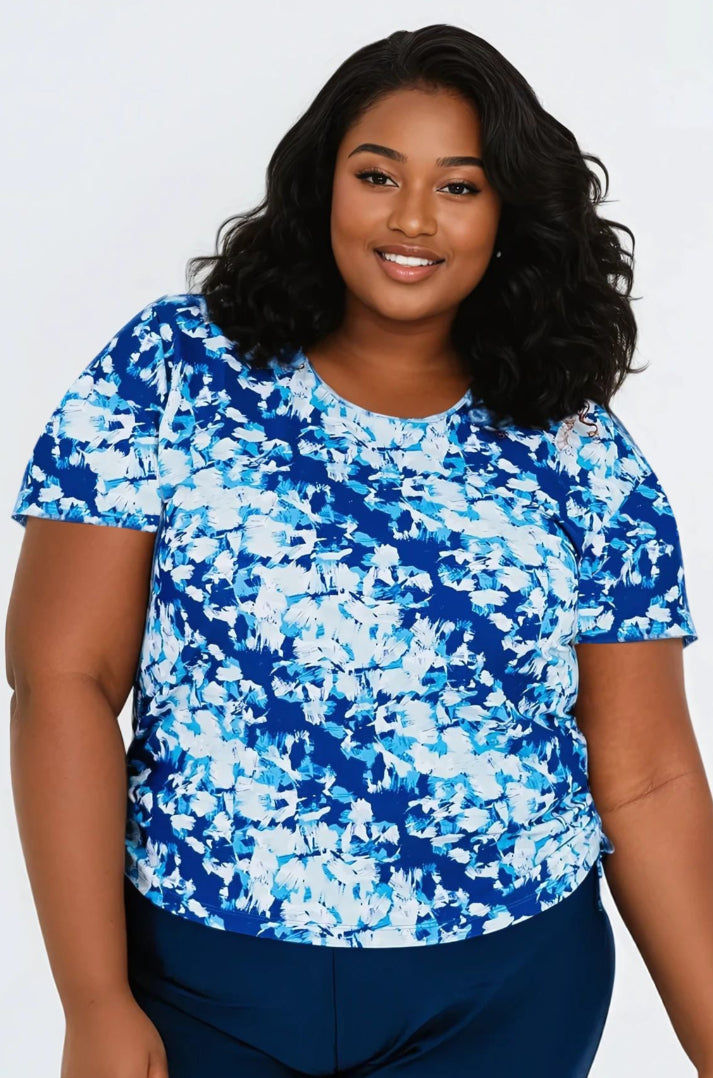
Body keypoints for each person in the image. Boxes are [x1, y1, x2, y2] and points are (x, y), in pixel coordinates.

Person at [6, 22, 713, 1078]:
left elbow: (648, 775)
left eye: (460, 186)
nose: (412, 218)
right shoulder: (174, 371)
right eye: (376, 174)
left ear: (508, 214)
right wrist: (92, 998)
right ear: (320, 184)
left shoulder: (577, 450)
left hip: (503, 995)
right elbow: (63, 675)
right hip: (204, 978)